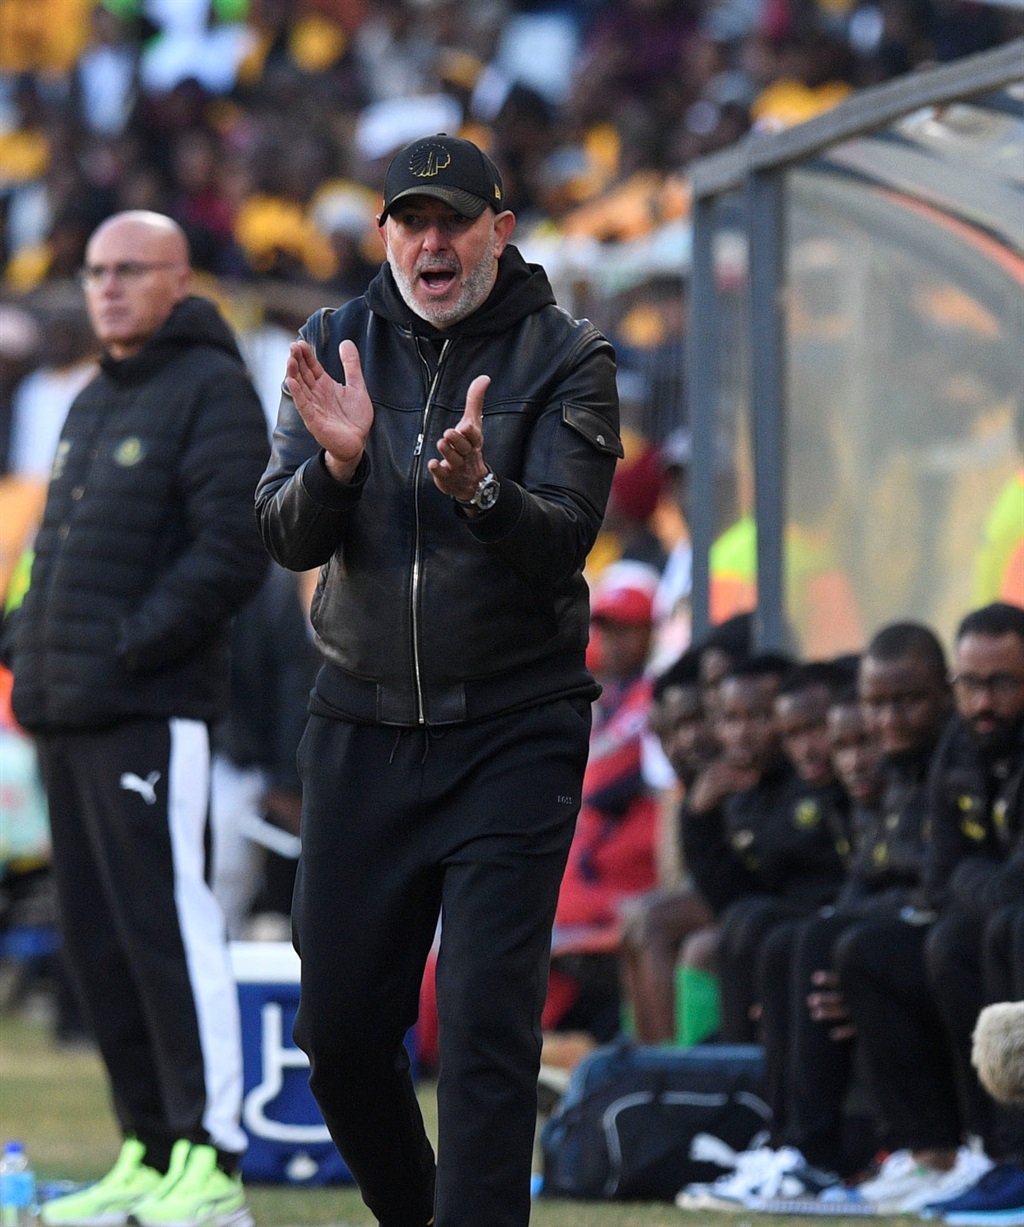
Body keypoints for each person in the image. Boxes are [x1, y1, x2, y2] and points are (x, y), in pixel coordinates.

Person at [253, 133, 621, 1227]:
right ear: (385, 235)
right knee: (339, 1039)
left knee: (484, 1029)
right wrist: (338, 466)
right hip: (360, 725)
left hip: (514, 728)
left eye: (453, 221)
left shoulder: (568, 354)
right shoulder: (332, 341)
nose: (431, 242)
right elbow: (278, 532)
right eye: (410, 222)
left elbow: (562, 539)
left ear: (499, 233)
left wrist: (482, 493)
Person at [2, 210, 270, 1227]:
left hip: (150, 712)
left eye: (130, 270)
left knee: (169, 927)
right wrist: (26, 642)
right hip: (66, 712)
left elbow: (232, 552)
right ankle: (148, 1150)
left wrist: (125, 648)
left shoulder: (211, 391)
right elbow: (57, 558)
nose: (108, 287)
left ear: (179, 279)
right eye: (96, 270)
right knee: (98, 938)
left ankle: (211, 1159)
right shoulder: (86, 402)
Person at [835, 602, 1024, 1216]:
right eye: (970, 684)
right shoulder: (962, 745)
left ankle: (1011, 1154)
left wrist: (979, 881)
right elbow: (940, 877)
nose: (983, 703)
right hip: (989, 925)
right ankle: (946, 1152)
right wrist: (984, 881)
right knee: (867, 953)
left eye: (1001, 683)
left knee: (994, 931)